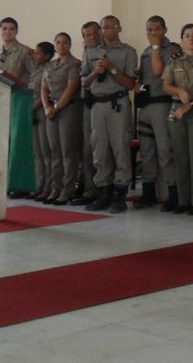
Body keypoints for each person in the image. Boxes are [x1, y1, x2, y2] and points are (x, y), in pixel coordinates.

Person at [81, 15, 138, 214]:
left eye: (110, 27)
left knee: (120, 148)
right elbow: (84, 82)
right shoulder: (91, 51)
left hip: (118, 103)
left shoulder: (128, 52)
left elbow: (131, 84)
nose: (106, 31)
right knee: (100, 149)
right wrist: (96, 72)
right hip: (97, 105)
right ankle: (103, 192)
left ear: (119, 28)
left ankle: (120, 194)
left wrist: (111, 68)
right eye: (103, 27)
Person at [163, 23, 193, 215]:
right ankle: (182, 200)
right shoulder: (174, 60)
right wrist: (179, 90)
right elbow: (166, 85)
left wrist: (189, 105)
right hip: (176, 109)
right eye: (187, 36)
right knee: (180, 156)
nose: (191, 39)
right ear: (182, 40)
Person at [138, 15, 180, 209]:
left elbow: (158, 72)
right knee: (146, 150)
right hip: (146, 104)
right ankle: (148, 191)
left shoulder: (171, 50)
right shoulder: (146, 51)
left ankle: (173, 191)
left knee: (165, 150)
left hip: (163, 103)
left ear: (164, 30)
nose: (152, 33)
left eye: (156, 29)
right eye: (149, 30)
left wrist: (156, 47)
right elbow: (143, 75)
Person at [41, 32, 82, 205]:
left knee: (68, 151)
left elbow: (71, 87)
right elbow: (43, 88)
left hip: (67, 108)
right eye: (58, 42)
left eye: (64, 42)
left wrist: (56, 108)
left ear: (70, 44)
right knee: (54, 151)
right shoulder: (50, 65)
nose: (61, 45)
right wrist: (47, 107)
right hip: (51, 109)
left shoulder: (74, 64)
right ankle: (55, 188)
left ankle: (68, 189)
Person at [69, 21, 103, 206]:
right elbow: (83, 79)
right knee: (87, 149)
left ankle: (106, 189)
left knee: (103, 149)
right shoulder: (87, 53)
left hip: (106, 103)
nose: (92, 37)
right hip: (88, 103)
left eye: (95, 33)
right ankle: (90, 189)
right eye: (87, 35)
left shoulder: (108, 50)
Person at [28, 41, 55, 202]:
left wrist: (35, 106)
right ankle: (40, 184)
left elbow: (46, 92)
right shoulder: (36, 70)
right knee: (37, 152)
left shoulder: (49, 69)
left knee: (47, 152)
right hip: (33, 112)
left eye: (38, 53)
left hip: (44, 112)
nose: (35, 55)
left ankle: (50, 186)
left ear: (47, 55)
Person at [0, 17, 37, 83]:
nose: (7, 32)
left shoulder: (25, 51)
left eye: (11, 29)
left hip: (19, 91)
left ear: (16, 32)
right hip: (1, 91)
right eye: (4, 29)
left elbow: (36, 75)